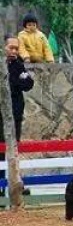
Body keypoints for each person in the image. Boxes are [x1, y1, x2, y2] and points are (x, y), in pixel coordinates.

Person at [0, 34, 34, 196]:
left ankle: (16, 185)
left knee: (14, 150)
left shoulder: (18, 65)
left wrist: (17, 73)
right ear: (3, 47)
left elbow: (28, 84)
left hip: (15, 115)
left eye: (16, 48)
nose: (13, 51)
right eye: (10, 48)